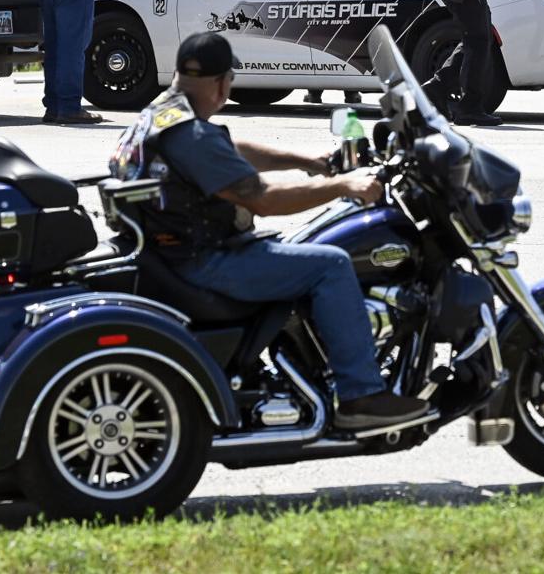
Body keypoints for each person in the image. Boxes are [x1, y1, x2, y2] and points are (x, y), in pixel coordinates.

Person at [109, 32, 430, 429]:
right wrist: (344, 186)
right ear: (221, 83)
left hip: (169, 253)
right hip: (204, 260)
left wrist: (307, 161)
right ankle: (360, 396)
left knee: (302, 248)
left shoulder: (163, 113)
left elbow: (229, 151)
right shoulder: (191, 136)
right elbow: (263, 200)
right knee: (331, 264)